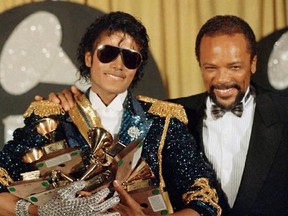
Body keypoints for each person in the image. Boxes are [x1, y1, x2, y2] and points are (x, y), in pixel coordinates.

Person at [0, 11, 222, 216]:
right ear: (89, 58)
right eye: (108, 53)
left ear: (137, 68)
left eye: (130, 57)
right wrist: (41, 212)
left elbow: (204, 201)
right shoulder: (50, 118)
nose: (118, 64)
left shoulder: (163, 122)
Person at [169, 15, 288, 215]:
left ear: (253, 63)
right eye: (211, 68)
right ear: (200, 66)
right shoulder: (173, 116)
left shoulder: (284, 112)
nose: (222, 79)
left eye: (234, 67)